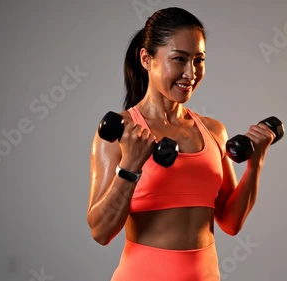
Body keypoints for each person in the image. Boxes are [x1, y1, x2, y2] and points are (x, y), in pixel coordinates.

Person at [87, 7, 275, 281]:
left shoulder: (213, 131)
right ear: (146, 59)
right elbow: (100, 232)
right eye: (179, 59)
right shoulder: (122, 131)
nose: (191, 73)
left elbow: (231, 223)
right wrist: (129, 167)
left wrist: (255, 165)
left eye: (199, 60)